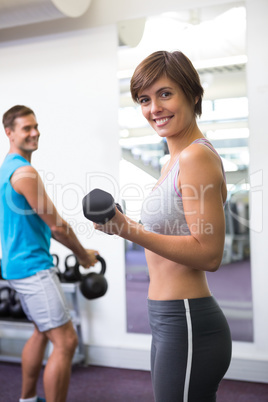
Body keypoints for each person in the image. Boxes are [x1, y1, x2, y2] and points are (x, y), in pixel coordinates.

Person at [93, 51, 232, 401]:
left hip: (186, 316)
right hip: (168, 316)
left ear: (193, 94)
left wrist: (129, 230)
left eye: (165, 94)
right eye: (144, 99)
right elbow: (176, 234)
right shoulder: (174, 160)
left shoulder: (195, 156)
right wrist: (122, 222)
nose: (154, 107)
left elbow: (209, 253)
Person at [0, 105, 99, 402]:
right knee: (67, 340)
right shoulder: (24, 172)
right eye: (26, 128)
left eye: (36, 126)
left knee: (42, 331)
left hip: (16, 265)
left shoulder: (6, 168)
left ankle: (28, 399)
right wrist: (83, 256)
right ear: (9, 133)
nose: (34, 133)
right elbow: (57, 227)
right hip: (33, 267)